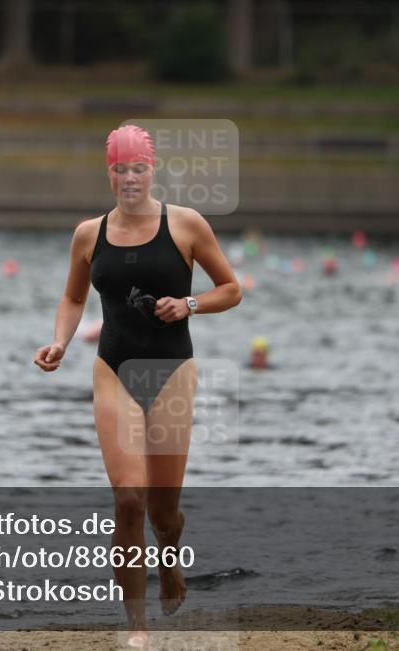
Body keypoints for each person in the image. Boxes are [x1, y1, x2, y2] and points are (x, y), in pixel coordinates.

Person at [34, 125, 241, 646]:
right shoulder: (89, 233)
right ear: (109, 173)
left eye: (138, 168)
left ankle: (169, 559)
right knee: (128, 499)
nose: (129, 178)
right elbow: (73, 298)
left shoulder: (187, 225)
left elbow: (231, 289)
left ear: (153, 169)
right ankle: (137, 626)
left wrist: (188, 304)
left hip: (172, 371)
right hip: (113, 369)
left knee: (162, 512)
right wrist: (60, 340)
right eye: (120, 169)